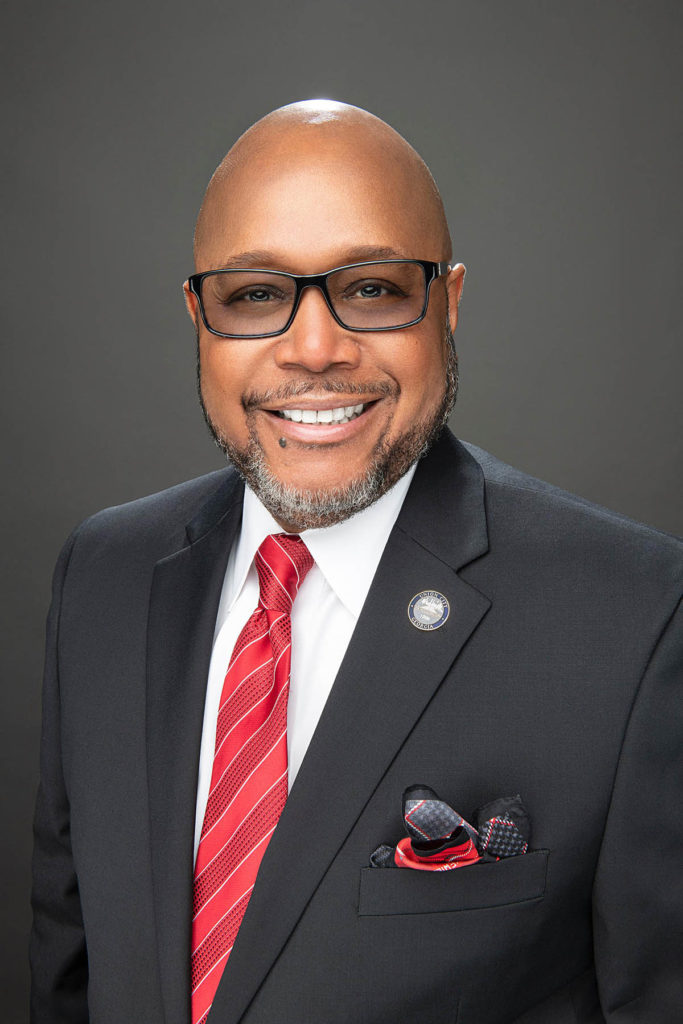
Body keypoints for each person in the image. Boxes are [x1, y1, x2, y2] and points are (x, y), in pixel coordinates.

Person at [30, 100, 682, 1024]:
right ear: (199, 316)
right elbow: (68, 973)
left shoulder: (637, 617)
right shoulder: (102, 576)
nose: (314, 349)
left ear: (448, 302)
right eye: (254, 294)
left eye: (372, 288)